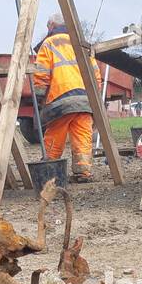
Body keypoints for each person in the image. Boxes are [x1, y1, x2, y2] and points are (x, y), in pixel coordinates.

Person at [32, 14, 101, 181]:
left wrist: (39, 96)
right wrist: (95, 97)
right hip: (85, 100)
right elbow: (95, 75)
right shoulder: (81, 44)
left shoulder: (49, 43)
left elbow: (42, 72)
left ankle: (49, 171)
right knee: (82, 136)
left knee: (55, 135)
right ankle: (83, 172)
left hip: (60, 99)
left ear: (51, 25)